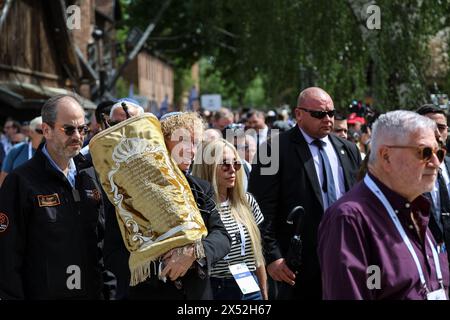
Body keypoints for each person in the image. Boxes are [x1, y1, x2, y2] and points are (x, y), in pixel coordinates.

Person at [318, 110, 450, 299]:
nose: (436, 163)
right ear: (386, 156)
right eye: (425, 153)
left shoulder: (416, 208)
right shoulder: (349, 219)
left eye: (439, 153)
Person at [249, 87, 362, 299]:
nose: (328, 119)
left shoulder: (349, 150)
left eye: (331, 113)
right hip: (296, 267)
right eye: (319, 114)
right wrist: (272, 257)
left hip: (345, 256)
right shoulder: (272, 149)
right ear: (298, 114)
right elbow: (259, 208)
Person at [106, 112, 231, 300]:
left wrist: (194, 253)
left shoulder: (200, 188)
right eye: (184, 141)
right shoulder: (128, 190)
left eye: (196, 143)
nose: (192, 151)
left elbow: (222, 236)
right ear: (161, 142)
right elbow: (113, 253)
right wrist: (160, 265)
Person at [0, 94, 111, 299]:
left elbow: (102, 246)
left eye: (82, 129)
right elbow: (7, 258)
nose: (78, 136)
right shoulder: (21, 182)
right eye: (68, 129)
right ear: (46, 130)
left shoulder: (90, 176)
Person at [192, 139, 267, 300]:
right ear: (208, 168)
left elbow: (258, 255)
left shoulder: (247, 202)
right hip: (216, 288)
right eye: (225, 164)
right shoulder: (198, 209)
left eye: (236, 164)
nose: (233, 170)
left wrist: (264, 292)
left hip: (250, 285)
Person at [417, 104, 450, 264]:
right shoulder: (409, 169)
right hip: (423, 253)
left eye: (442, 128)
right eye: (431, 127)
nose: (437, 134)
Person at [0, 116, 43, 186]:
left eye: (47, 131)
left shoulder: (54, 153)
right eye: (41, 131)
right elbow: (4, 178)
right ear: (31, 132)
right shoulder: (16, 150)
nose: (45, 134)